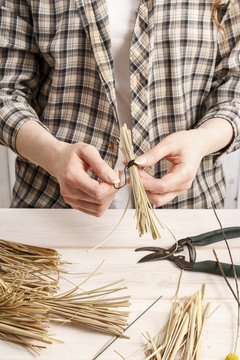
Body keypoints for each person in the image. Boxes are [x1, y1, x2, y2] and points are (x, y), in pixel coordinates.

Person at [0, 0, 239, 217]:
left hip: (187, 215)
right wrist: (53, 155)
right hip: (54, 212)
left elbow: (234, 87)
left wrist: (202, 140)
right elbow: (6, 92)